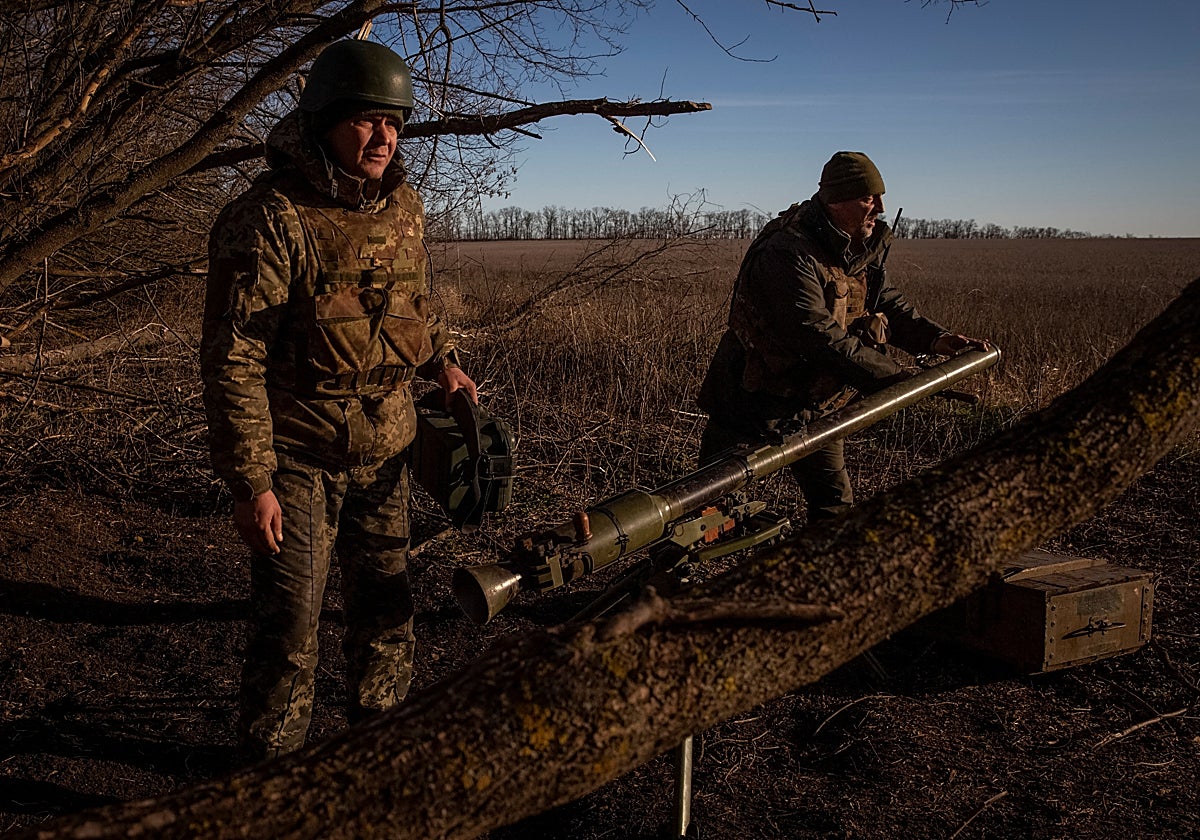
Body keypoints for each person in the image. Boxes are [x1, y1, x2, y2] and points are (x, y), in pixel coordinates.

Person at [200, 38, 477, 761]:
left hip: (387, 450)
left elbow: (412, 302)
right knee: (291, 628)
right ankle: (272, 779)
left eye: (395, 122)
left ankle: (376, 757)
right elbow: (234, 357)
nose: (384, 137)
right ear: (323, 119)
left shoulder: (405, 207)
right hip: (299, 457)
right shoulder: (269, 217)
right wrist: (251, 480)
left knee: (387, 610)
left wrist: (443, 363)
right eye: (365, 120)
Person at [696, 151, 989, 521]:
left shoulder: (855, 246)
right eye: (869, 198)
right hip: (753, 403)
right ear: (837, 199)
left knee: (834, 508)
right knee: (702, 509)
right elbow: (815, 333)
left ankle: (819, 577)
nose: (880, 207)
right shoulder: (788, 251)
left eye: (880, 197)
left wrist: (937, 340)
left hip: (818, 404)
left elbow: (887, 302)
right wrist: (892, 375)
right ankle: (666, 577)